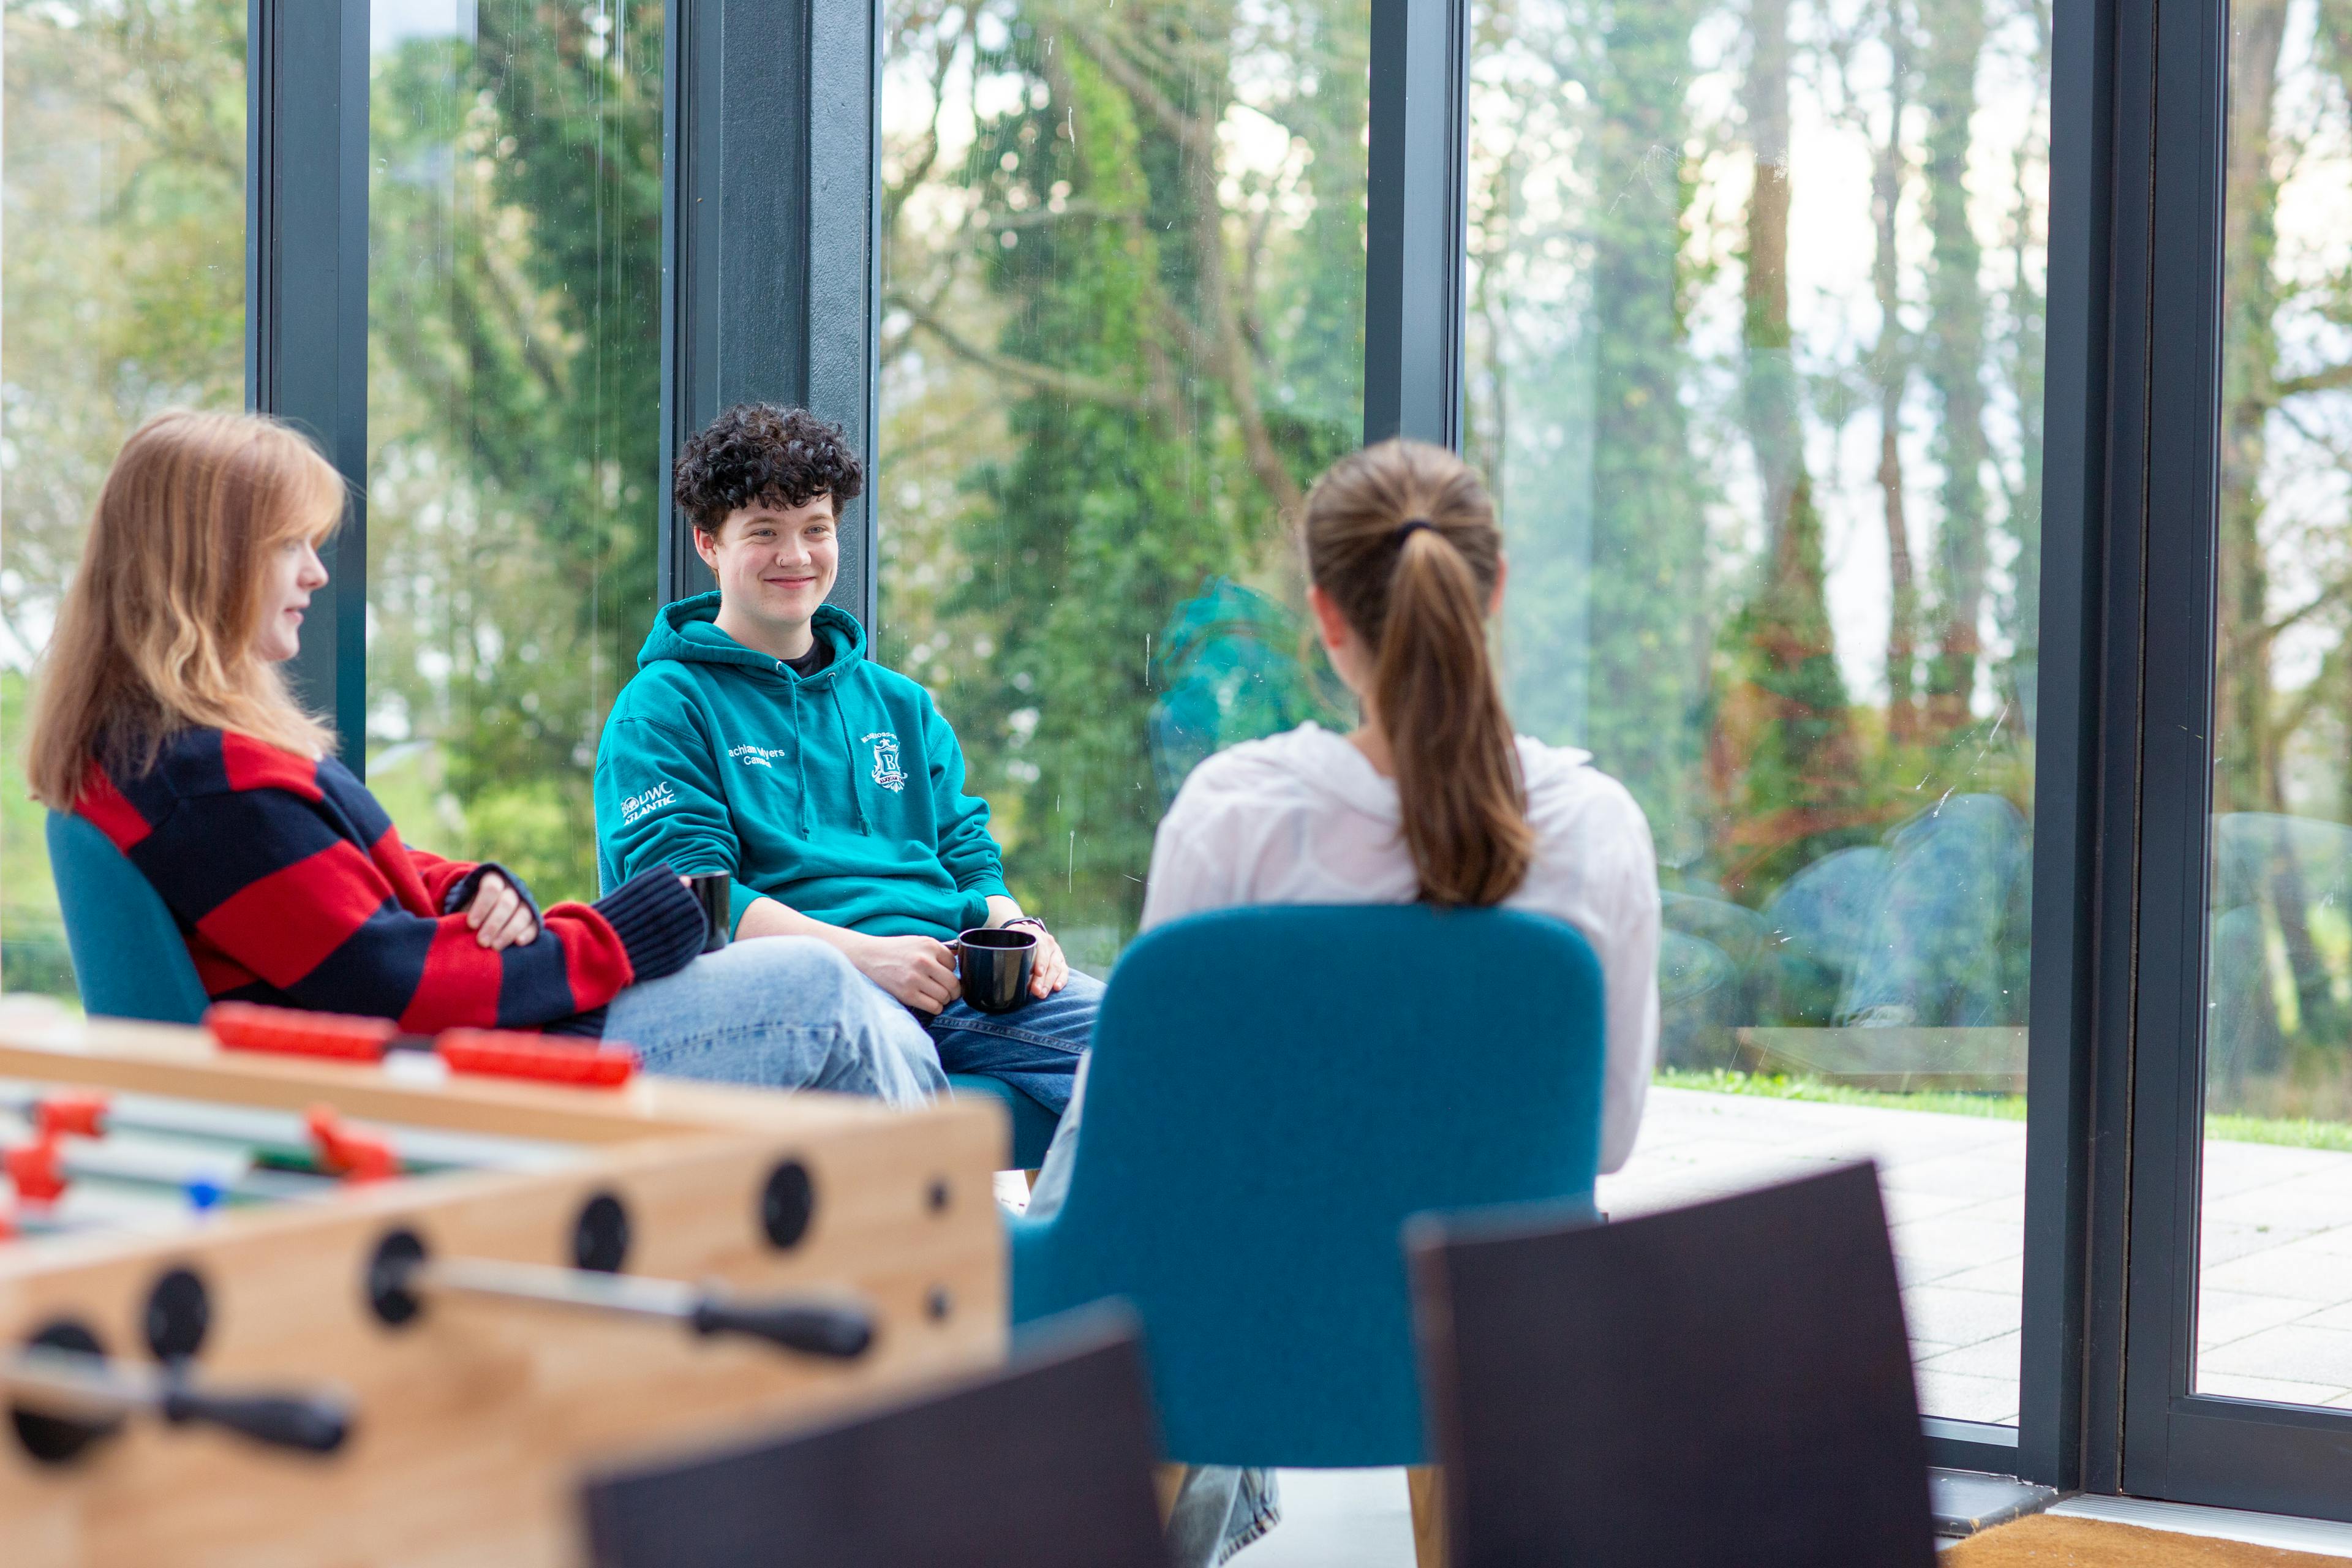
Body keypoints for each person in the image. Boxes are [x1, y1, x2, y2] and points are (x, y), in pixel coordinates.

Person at [1025, 437, 1665, 1564]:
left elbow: (1155, 1138)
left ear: (1324, 615)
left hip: (1215, 1327)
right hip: (1483, 1340)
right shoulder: (1596, 826)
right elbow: (1602, 1142)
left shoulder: (1232, 815)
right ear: (1495, 591)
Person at [26, 410, 941, 1107]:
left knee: (837, 1002)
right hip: (437, 1076)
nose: (316, 574)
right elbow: (388, 981)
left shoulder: (180, 760)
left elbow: (349, 885)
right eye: (288, 547)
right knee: (816, 990)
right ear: (207, 563)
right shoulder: (203, 783)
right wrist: (619, 932)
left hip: (441, 1045)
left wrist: (463, 884)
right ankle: (963, 1267)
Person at [594, 404, 1089, 1114]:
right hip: (810, 991)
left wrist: (1016, 928)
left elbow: (969, 858)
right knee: (883, 1050)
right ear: (709, 543)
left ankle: (1074, 1197)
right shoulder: (663, 705)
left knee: (1154, 1040)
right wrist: (868, 958)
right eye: (764, 531)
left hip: (952, 976)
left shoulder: (900, 704)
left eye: (816, 528)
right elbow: (692, 897)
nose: (796, 556)